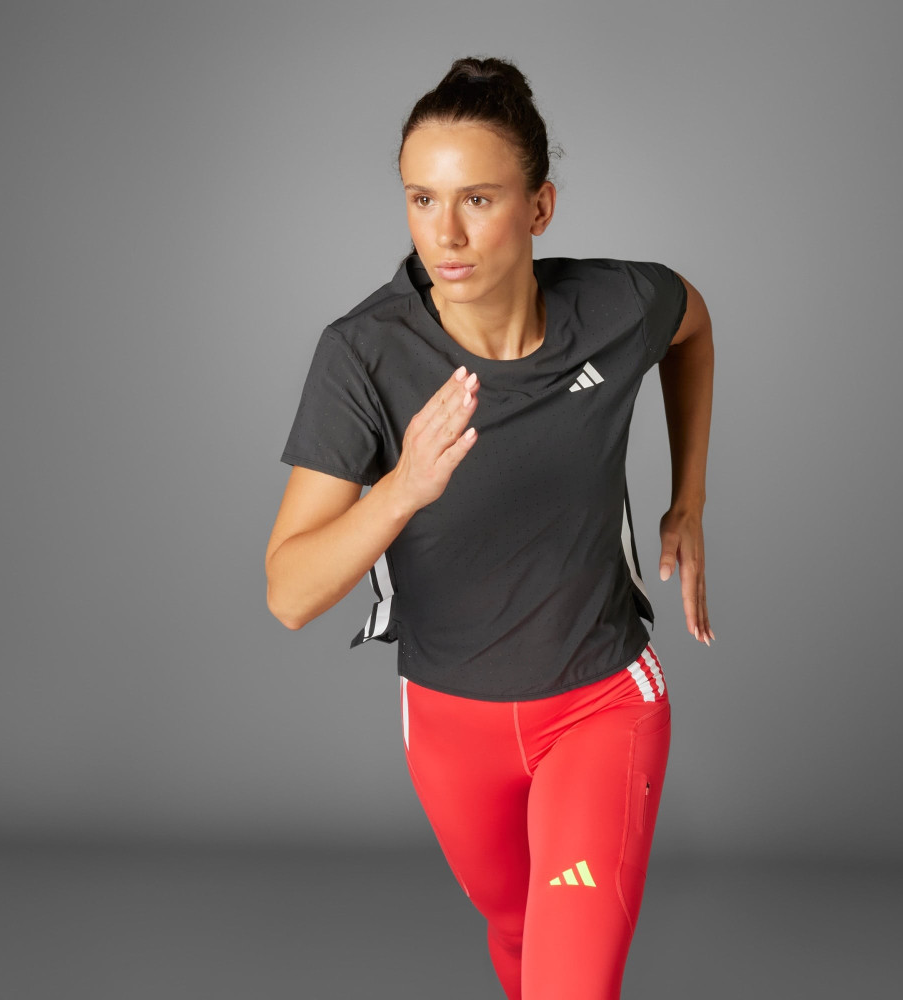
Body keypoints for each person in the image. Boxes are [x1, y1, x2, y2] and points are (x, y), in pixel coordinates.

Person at [266, 55, 714, 1000]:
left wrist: (690, 500)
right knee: (517, 941)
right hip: (448, 722)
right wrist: (401, 490)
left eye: (478, 199)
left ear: (540, 207)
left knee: (568, 984)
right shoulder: (364, 355)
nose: (447, 234)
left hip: (600, 703)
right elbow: (289, 594)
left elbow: (693, 324)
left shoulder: (616, 307)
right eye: (422, 200)